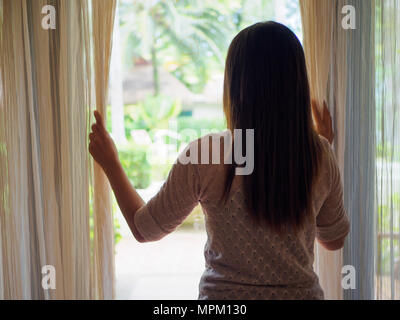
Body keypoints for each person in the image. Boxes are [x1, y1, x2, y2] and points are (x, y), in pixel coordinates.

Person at [89, 21, 350, 300]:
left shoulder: (205, 155)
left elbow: (145, 230)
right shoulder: (320, 155)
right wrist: (321, 151)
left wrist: (112, 164)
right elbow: (333, 240)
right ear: (297, 85)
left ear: (236, 87)